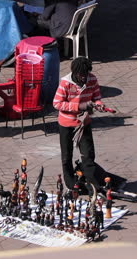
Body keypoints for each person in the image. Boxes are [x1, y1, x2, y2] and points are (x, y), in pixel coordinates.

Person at [53, 57, 105, 193]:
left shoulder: (92, 80)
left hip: (84, 123)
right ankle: (71, 184)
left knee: (88, 154)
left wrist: (99, 105)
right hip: (66, 123)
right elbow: (57, 104)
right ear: (75, 73)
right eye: (81, 75)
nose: (84, 78)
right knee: (66, 155)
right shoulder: (65, 83)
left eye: (86, 75)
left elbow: (97, 97)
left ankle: (92, 184)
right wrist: (79, 106)